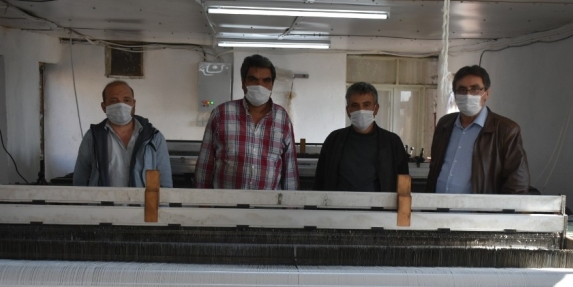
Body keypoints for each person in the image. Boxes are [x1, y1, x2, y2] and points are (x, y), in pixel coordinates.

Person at [194, 54, 299, 190]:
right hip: (226, 202)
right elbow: (204, 165)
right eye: (253, 79)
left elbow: (290, 170)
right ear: (243, 83)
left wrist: (291, 202)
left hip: (269, 203)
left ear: (272, 85)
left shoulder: (282, 118)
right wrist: (201, 199)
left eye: (266, 80)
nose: (260, 86)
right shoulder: (221, 114)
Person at [426, 65, 530, 194]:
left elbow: (518, 183)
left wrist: (497, 207)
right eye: (462, 90)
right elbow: (434, 168)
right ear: (455, 95)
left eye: (475, 89)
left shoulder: (506, 130)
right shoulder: (445, 124)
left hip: (479, 207)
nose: (468, 95)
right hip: (438, 204)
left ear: (486, 93)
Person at [73, 80, 173, 188]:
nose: (121, 105)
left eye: (126, 100)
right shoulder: (92, 137)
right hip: (103, 199)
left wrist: (162, 199)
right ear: (104, 106)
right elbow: (80, 177)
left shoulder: (154, 137)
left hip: (142, 199)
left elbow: (165, 180)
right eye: (113, 101)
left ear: (134, 104)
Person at [314, 82, 409, 192]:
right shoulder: (334, 140)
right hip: (339, 202)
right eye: (355, 106)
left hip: (380, 203)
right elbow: (320, 181)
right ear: (348, 110)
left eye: (366, 105)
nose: (361, 110)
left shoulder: (392, 142)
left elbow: (404, 185)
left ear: (376, 108)